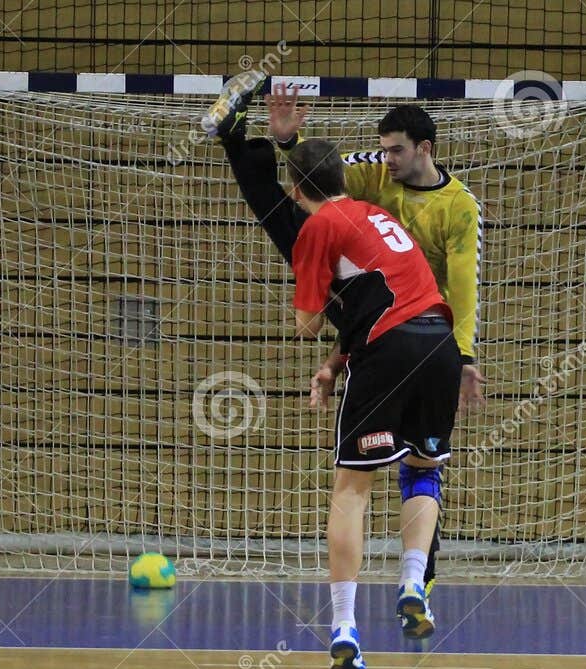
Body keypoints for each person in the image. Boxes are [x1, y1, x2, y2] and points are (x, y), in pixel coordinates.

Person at [204, 73, 484, 638]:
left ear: (424, 150)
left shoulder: (454, 207)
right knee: (425, 470)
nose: (388, 160)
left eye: (395, 151)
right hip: (424, 329)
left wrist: (308, 289)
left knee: (353, 487)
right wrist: (286, 142)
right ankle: (413, 583)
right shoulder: (376, 189)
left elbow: (462, 284)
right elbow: (318, 170)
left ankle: (345, 629)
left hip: (387, 330)